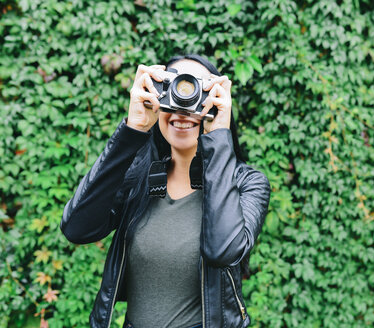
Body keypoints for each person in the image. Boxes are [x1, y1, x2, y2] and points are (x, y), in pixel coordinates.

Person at [60, 54, 271, 328]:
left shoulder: (246, 183)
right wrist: (132, 131)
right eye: (174, 89)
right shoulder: (139, 176)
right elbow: (77, 228)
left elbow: (223, 252)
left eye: (198, 91)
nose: (183, 108)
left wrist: (218, 136)